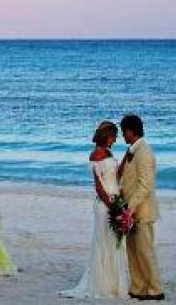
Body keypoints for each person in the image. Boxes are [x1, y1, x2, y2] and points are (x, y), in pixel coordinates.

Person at [59, 121, 128, 299]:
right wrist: (112, 206)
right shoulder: (97, 154)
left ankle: (112, 283)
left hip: (114, 199)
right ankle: (102, 284)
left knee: (113, 243)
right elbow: (98, 186)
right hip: (104, 204)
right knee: (104, 242)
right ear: (106, 136)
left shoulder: (108, 152)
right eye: (113, 136)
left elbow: (115, 177)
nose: (115, 140)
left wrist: (125, 161)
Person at [118, 114, 164, 301]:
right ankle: (138, 288)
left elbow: (145, 186)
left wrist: (129, 208)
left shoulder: (144, 152)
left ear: (131, 131)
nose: (122, 135)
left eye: (124, 131)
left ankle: (155, 289)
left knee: (145, 252)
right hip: (130, 210)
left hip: (141, 211)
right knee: (132, 252)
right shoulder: (132, 151)